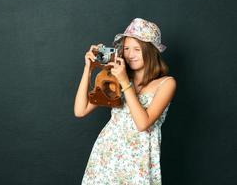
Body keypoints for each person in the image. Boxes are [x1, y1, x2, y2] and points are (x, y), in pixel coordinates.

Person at [74, 18, 176, 184]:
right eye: (126, 48)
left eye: (137, 49)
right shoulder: (115, 78)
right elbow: (80, 110)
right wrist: (88, 69)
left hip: (138, 160)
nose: (130, 54)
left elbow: (143, 123)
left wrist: (124, 82)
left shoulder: (166, 83)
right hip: (107, 155)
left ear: (150, 51)